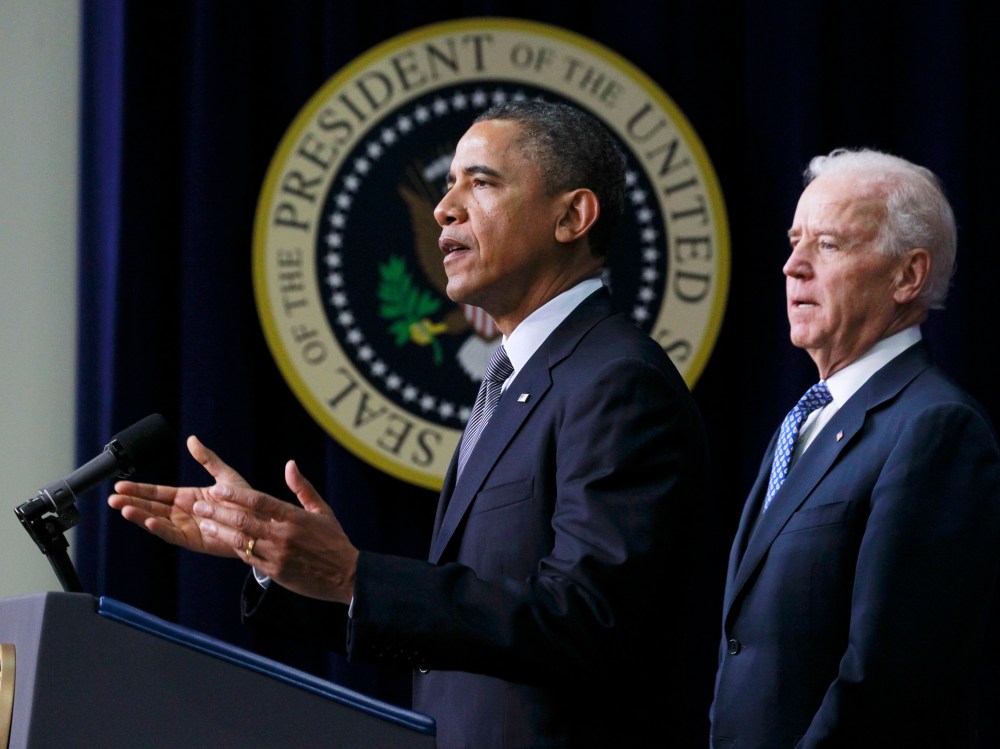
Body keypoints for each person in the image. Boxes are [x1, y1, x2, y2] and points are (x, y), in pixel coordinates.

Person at [109, 100, 714, 749]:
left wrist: (352, 574)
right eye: (448, 182)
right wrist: (276, 554)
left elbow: (586, 620)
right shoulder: (519, 379)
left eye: (480, 182)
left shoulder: (617, 380)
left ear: (572, 215)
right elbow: (463, 624)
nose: (443, 207)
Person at [710, 147, 1000, 747]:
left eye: (829, 244)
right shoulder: (807, 419)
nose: (793, 266)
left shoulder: (934, 428)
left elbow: (888, 681)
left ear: (907, 276)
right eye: (794, 241)